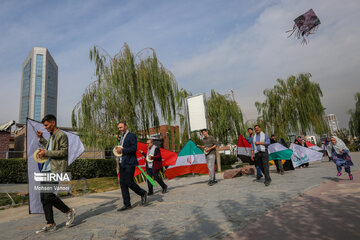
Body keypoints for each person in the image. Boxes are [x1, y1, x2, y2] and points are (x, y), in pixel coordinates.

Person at [35, 114, 75, 234]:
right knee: (43, 197)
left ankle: (68, 211)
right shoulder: (52, 136)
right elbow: (51, 148)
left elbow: (63, 152)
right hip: (46, 169)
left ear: (53, 123)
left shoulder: (61, 135)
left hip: (55, 169)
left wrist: (46, 152)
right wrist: (42, 139)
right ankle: (50, 223)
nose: (45, 127)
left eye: (46, 125)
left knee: (48, 196)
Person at [116, 121, 148, 211]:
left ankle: (142, 193)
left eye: (121, 127)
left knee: (129, 182)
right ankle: (127, 204)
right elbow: (121, 148)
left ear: (126, 127)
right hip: (122, 162)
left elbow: (134, 148)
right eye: (118, 128)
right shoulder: (122, 138)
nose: (119, 129)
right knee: (122, 183)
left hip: (130, 162)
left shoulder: (131, 136)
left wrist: (122, 150)